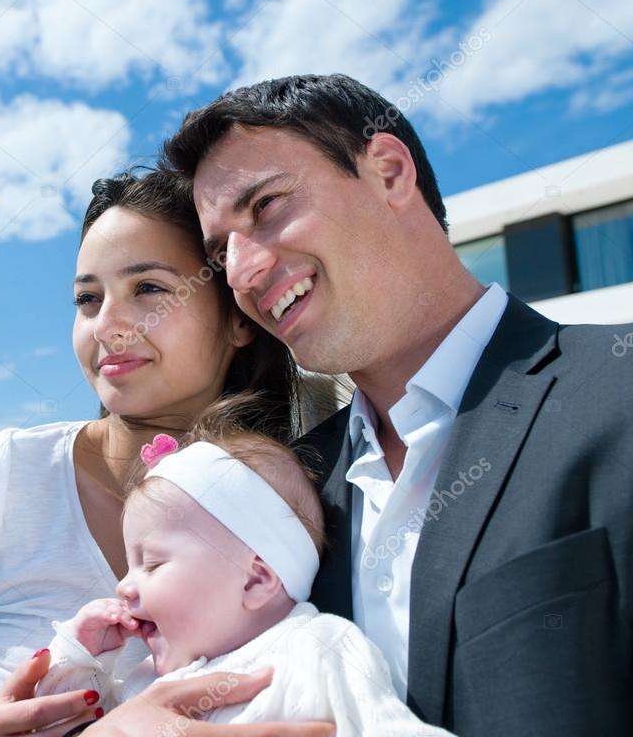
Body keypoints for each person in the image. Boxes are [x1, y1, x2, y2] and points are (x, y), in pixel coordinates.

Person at [85, 74, 632, 735]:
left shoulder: (614, 393)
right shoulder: (279, 495)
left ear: (390, 172)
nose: (243, 270)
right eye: (221, 249)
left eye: (266, 207)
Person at [0, 169, 332, 737]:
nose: (106, 325)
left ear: (238, 316)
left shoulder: (301, 497)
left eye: (150, 289)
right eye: (88, 299)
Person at [35, 397, 455, 735]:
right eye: (129, 566)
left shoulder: (315, 648)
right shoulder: (147, 682)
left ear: (255, 579)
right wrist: (80, 661)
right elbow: (61, 725)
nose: (124, 586)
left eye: (153, 563)